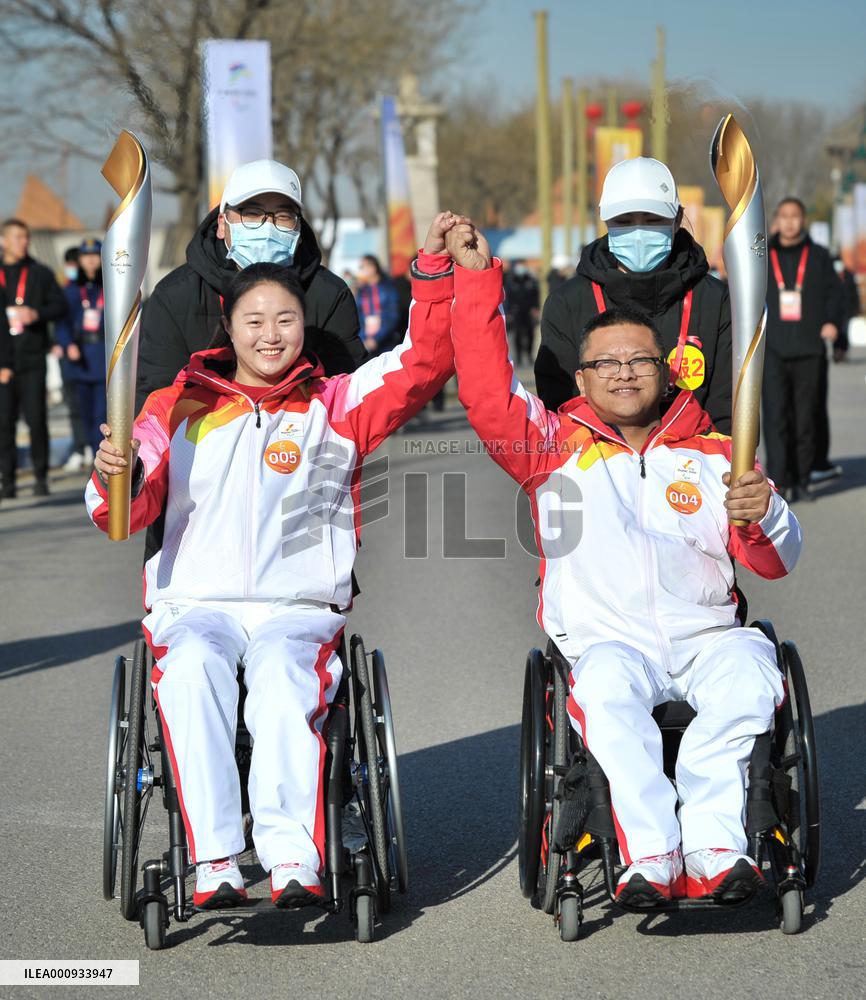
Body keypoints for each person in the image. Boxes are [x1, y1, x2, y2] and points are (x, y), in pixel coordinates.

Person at [86, 213, 459, 910]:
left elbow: (422, 364)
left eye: (285, 319)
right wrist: (116, 475)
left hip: (296, 608)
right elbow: (121, 512)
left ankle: (292, 857)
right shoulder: (177, 407)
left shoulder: (338, 404)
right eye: (254, 320)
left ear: (302, 326)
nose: (270, 335)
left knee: (285, 681)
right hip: (197, 604)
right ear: (227, 328)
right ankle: (217, 861)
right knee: (192, 670)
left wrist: (434, 274)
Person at [446, 219, 801, 906]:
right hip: (610, 644)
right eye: (607, 363)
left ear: (668, 369)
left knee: (753, 676)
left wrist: (763, 514)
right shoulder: (550, 448)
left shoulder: (718, 453)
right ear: (581, 378)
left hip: (707, 642)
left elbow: (778, 559)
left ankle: (716, 848)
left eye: (640, 360)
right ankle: (650, 857)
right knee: (606, 692)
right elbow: (489, 392)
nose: (625, 373)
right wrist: (473, 283)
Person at [136, 159, 366, 411]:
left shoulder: (329, 294)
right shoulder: (175, 296)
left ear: (298, 227)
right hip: (201, 441)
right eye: (252, 214)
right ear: (223, 224)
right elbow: (156, 397)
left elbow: (348, 394)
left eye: (283, 216)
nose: (268, 226)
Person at [535, 158, 732, 433]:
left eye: (653, 220)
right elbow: (558, 408)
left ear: (677, 219)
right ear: (606, 221)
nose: (639, 232)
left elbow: (729, 409)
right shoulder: (567, 303)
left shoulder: (715, 300)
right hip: (598, 465)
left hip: (695, 466)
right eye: (624, 221)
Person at [764, 198, 842, 502]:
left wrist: (833, 324)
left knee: (806, 415)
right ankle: (780, 479)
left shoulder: (820, 257)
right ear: (776, 220)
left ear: (803, 220)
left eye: (795, 216)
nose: (789, 222)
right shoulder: (762, 256)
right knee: (775, 415)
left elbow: (836, 296)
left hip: (809, 347)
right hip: (772, 347)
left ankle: (804, 476)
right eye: (784, 216)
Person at [0, 218, 67, 497]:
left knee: (37, 420)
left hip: (32, 358)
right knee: (4, 424)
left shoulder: (39, 273)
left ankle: (41, 476)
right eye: (17, 237)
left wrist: (36, 314)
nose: (23, 242)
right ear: (3, 241)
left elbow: (60, 305)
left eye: (25, 237)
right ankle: (8, 481)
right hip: (4, 363)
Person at [55, 239, 107, 461]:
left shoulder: (111, 285)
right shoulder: (72, 290)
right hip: (80, 357)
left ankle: (100, 455)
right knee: (83, 411)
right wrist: (67, 344)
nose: (91, 260)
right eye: (86, 257)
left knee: (101, 413)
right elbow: (61, 322)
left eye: (95, 255)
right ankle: (88, 448)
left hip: (104, 356)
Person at [355, 255, 401, 356]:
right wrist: (364, 339)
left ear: (373, 267)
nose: (361, 270)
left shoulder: (388, 288)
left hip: (387, 343)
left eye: (363, 267)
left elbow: (393, 315)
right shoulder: (362, 292)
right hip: (367, 344)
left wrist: (377, 338)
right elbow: (359, 316)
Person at [504, 260, 539, 366]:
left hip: (529, 311)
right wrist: (509, 311)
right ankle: (518, 357)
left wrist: (536, 308)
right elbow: (508, 297)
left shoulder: (530, 280)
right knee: (517, 334)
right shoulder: (511, 280)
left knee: (530, 334)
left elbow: (535, 295)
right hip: (516, 311)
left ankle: (529, 355)